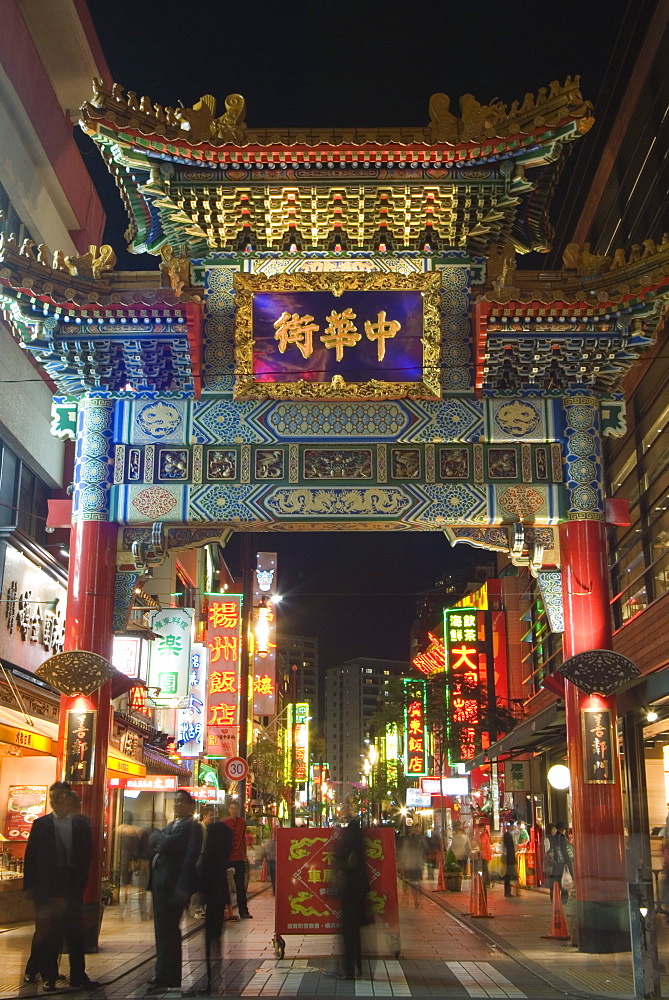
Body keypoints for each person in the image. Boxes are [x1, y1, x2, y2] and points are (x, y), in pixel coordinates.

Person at [22, 782, 98, 992]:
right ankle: (49, 977)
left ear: (68, 798)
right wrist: (29, 887)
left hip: (72, 887)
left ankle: (78, 976)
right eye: (52, 798)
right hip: (47, 889)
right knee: (49, 935)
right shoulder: (41, 824)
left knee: (75, 935)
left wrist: (80, 884)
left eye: (60, 797)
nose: (55, 801)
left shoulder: (81, 824)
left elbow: (86, 857)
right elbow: (31, 858)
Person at [148, 789, 203, 991]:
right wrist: (160, 840)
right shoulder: (172, 825)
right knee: (162, 931)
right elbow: (157, 842)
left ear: (190, 806)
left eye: (181, 802)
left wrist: (160, 839)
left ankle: (168, 976)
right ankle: (163, 974)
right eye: (176, 802)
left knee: (169, 931)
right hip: (160, 885)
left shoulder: (192, 826)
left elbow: (166, 843)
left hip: (175, 887)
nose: (177, 805)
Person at [195, 813, 233, 993]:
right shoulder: (224, 849)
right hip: (219, 893)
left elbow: (203, 870)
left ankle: (210, 977)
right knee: (215, 934)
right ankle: (214, 974)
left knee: (210, 935)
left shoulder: (209, 855)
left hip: (211, 893)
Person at [333, 811, 370, 980]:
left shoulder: (351, 833)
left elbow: (346, 858)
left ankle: (348, 969)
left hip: (351, 888)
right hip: (356, 888)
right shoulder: (355, 831)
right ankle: (353, 967)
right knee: (352, 930)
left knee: (349, 929)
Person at [222, 800, 252, 919]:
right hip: (227, 858)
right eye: (232, 808)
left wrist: (245, 855)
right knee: (224, 885)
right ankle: (224, 911)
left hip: (239, 857)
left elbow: (243, 839)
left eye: (236, 808)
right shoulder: (224, 823)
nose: (234, 810)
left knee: (241, 886)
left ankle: (243, 911)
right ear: (229, 810)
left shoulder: (242, 822)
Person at [549, 821, 574, 903]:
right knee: (563, 882)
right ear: (562, 829)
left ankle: (554, 899)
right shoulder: (562, 838)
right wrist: (568, 864)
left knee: (556, 881)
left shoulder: (552, 837)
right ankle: (564, 900)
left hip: (555, 862)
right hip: (562, 862)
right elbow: (564, 851)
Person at [472, 821, 493, 888]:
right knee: (485, 868)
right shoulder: (484, 834)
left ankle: (487, 882)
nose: (478, 829)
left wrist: (477, 838)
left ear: (482, 828)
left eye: (479, 828)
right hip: (485, 854)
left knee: (485, 869)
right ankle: (486, 882)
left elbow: (482, 844)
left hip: (485, 854)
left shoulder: (484, 835)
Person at [502, 822, 517, 897]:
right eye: (513, 826)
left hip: (509, 857)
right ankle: (507, 892)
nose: (513, 827)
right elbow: (508, 848)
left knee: (509, 875)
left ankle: (508, 892)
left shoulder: (509, 835)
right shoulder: (507, 835)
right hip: (509, 858)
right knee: (508, 875)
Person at [262, 829, 277, 894]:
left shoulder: (269, 843)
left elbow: (265, 852)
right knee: (276, 876)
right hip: (277, 861)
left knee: (273, 876)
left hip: (271, 861)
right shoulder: (279, 842)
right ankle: (275, 889)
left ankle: (274, 889)